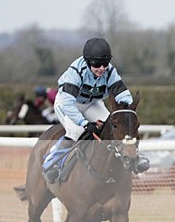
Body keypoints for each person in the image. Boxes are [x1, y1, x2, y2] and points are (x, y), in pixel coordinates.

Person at [44, 37, 149, 182]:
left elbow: (122, 93)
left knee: (113, 125)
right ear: (87, 61)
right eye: (97, 64)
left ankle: (133, 157)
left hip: (92, 103)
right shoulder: (76, 72)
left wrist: (126, 109)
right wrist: (84, 123)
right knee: (76, 130)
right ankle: (52, 164)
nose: (101, 68)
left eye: (105, 63)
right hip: (68, 103)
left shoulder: (110, 71)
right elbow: (68, 103)